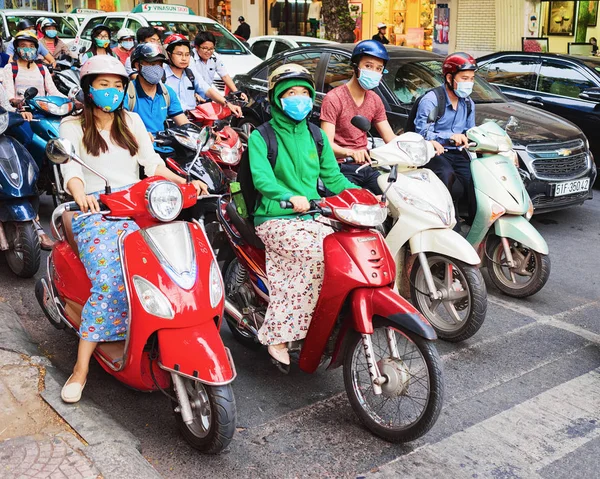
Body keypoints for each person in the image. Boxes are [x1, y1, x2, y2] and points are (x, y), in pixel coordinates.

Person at [58, 55, 208, 403]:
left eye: (117, 85)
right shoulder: (71, 126)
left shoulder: (132, 120)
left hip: (138, 204)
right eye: (103, 85)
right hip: (96, 210)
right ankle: (81, 368)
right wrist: (81, 196)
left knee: (174, 267)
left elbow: (152, 163)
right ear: (89, 89)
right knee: (112, 282)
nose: (111, 91)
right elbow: (72, 172)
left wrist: (186, 180)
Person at [248, 64, 357, 366]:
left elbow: (334, 180)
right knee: (315, 257)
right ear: (277, 99)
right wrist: (288, 196)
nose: (299, 99)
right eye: (291, 93)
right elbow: (262, 180)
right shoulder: (262, 136)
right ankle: (279, 335)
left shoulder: (316, 136)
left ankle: (331, 321)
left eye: (304, 93)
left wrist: (364, 195)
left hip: (312, 215)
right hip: (274, 216)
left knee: (350, 252)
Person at [320, 40, 398, 194]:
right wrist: (350, 152)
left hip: (366, 165)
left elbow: (390, 137)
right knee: (355, 206)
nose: (373, 72)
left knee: (393, 198)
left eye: (378, 69)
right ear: (355, 67)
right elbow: (326, 145)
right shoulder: (334, 98)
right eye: (368, 66)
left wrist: (420, 145)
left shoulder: (374, 99)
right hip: (341, 167)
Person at [414, 52, 477, 223]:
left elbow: (471, 132)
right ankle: (447, 221)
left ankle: (477, 223)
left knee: (477, 176)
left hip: (458, 153)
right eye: (464, 78)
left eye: (471, 78)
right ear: (449, 78)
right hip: (434, 152)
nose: (469, 83)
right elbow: (422, 133)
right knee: (446, 175)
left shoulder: (469, 103)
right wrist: (450, 137)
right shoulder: (432, 100)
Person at [162, 34, 242, 116]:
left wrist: (228, 104)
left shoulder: (191, 74)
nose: (184, 58)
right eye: (179, 54)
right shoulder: (161, 76)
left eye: (187, 54)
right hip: (169, 122)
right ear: (168, 54)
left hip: (192, 120)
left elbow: (207, 89)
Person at [126, 43, 189, 135]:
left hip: (164, 146)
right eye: (151, 64)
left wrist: (203, 135)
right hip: (137, 146)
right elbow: (121, 124)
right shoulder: (127, 92)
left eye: (159, 64)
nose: (156, 68)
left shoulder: (167, 92)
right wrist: (140, 136)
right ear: (137, 65)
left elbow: (183, 122)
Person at [3, 32, 65, 103]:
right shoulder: (10, 68)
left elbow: (53, 91)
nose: (28, 49)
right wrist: (15, 102)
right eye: (23, 46)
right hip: (20, 110)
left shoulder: (43, 69)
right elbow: (9, 94)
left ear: (36, 49)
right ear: (17, 48)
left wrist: (70, 100)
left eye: (32, 46)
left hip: (41, 109)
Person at [191, 32, 248, 102]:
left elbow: (224, 75)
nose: (208, 52)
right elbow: (198, 82)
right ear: (196, 47)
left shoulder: (215, 57)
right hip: (193, 98)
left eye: (211, 48)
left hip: (208, 96)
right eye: (205, 48)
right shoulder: (190, 58)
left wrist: (237, 92)